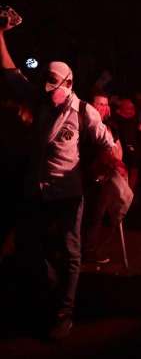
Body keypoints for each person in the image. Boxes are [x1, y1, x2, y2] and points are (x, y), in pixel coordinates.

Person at [1, 19, 115, 340]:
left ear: (69, 83)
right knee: (28, 249)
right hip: (36, 193)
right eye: (46, 82)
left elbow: (109, 145)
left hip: (68, 195)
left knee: (71, 253)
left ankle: (65, 312)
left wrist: (105, 167)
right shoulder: (39, 100)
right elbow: (10, 72)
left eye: (55, 83)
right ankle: (51, 290)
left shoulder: (84, 112)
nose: (49, 88)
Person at [82, 93, 134, 264]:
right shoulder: (84, 124)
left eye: (105, 104)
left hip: (103, 175)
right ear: (91, 105)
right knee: (86, 214)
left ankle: (89, 250)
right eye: (99, 104)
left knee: (98, 214)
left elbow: (117, 151)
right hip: (84, 174)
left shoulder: (110, 126)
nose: (102, 108)